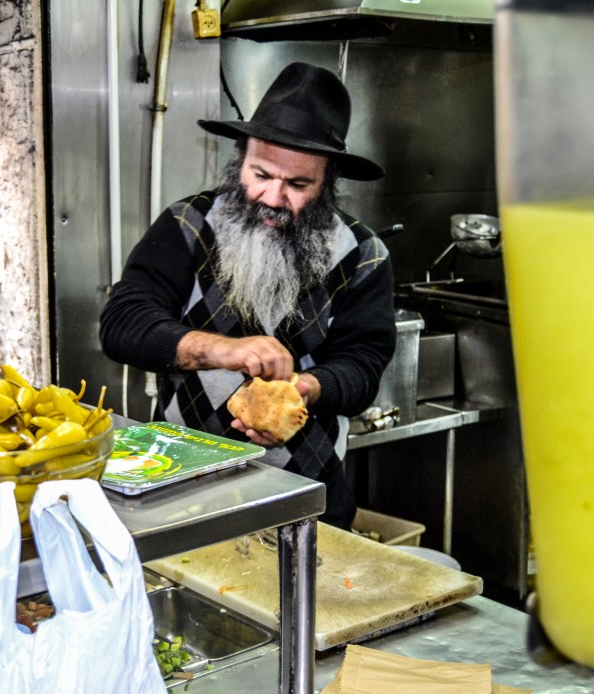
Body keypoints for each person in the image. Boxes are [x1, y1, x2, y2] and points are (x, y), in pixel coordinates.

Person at [99, 62, 397, 529]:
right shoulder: (187, 226)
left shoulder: (361, 254)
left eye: (298, 184)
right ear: (241, 159)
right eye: (261, 174)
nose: (273, 198)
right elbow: (122, 325)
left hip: (304, 495)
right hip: (179, 486)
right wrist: (220, 350)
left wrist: (304, 389)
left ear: (328, 181)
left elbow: (363, 366)